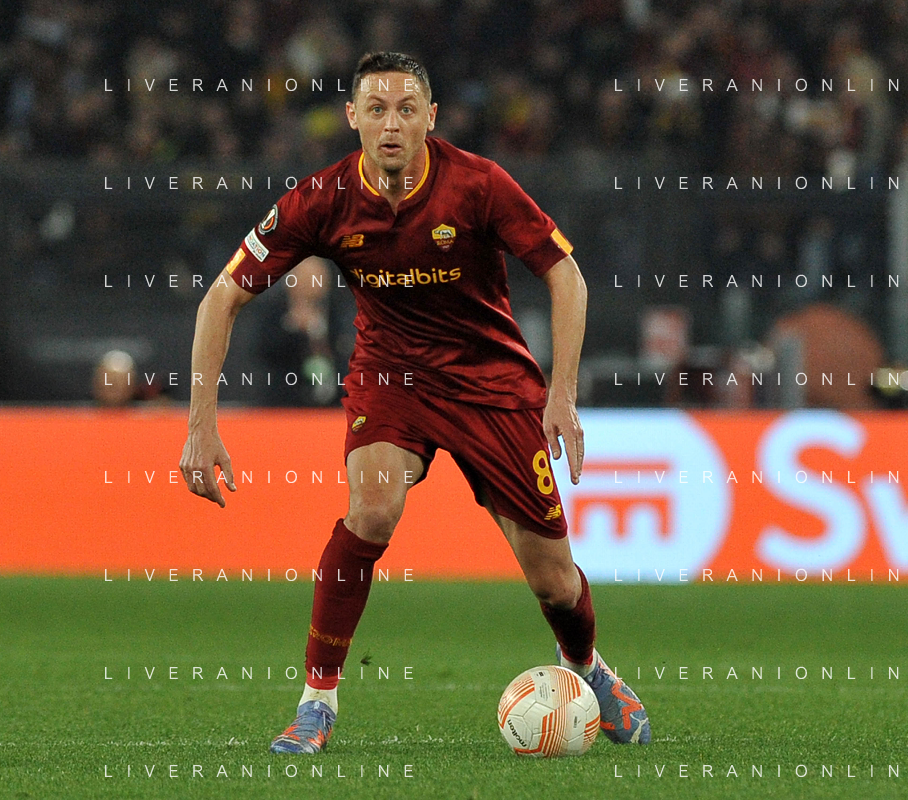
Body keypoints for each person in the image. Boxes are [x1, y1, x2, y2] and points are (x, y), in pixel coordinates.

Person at [179, 51, 650, 754]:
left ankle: (587, 666)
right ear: (353, 118)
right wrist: (200, 427)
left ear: (431, 117)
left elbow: (565, 275)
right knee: (371, 509)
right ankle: (317, 702)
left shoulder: (478, 184)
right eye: (376, 110)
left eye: (406, 110)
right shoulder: (322, 198)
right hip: (390, 380)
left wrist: (562, 395)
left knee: (553, 581)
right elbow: (222, 297)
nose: (391, 124)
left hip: (491, 385)